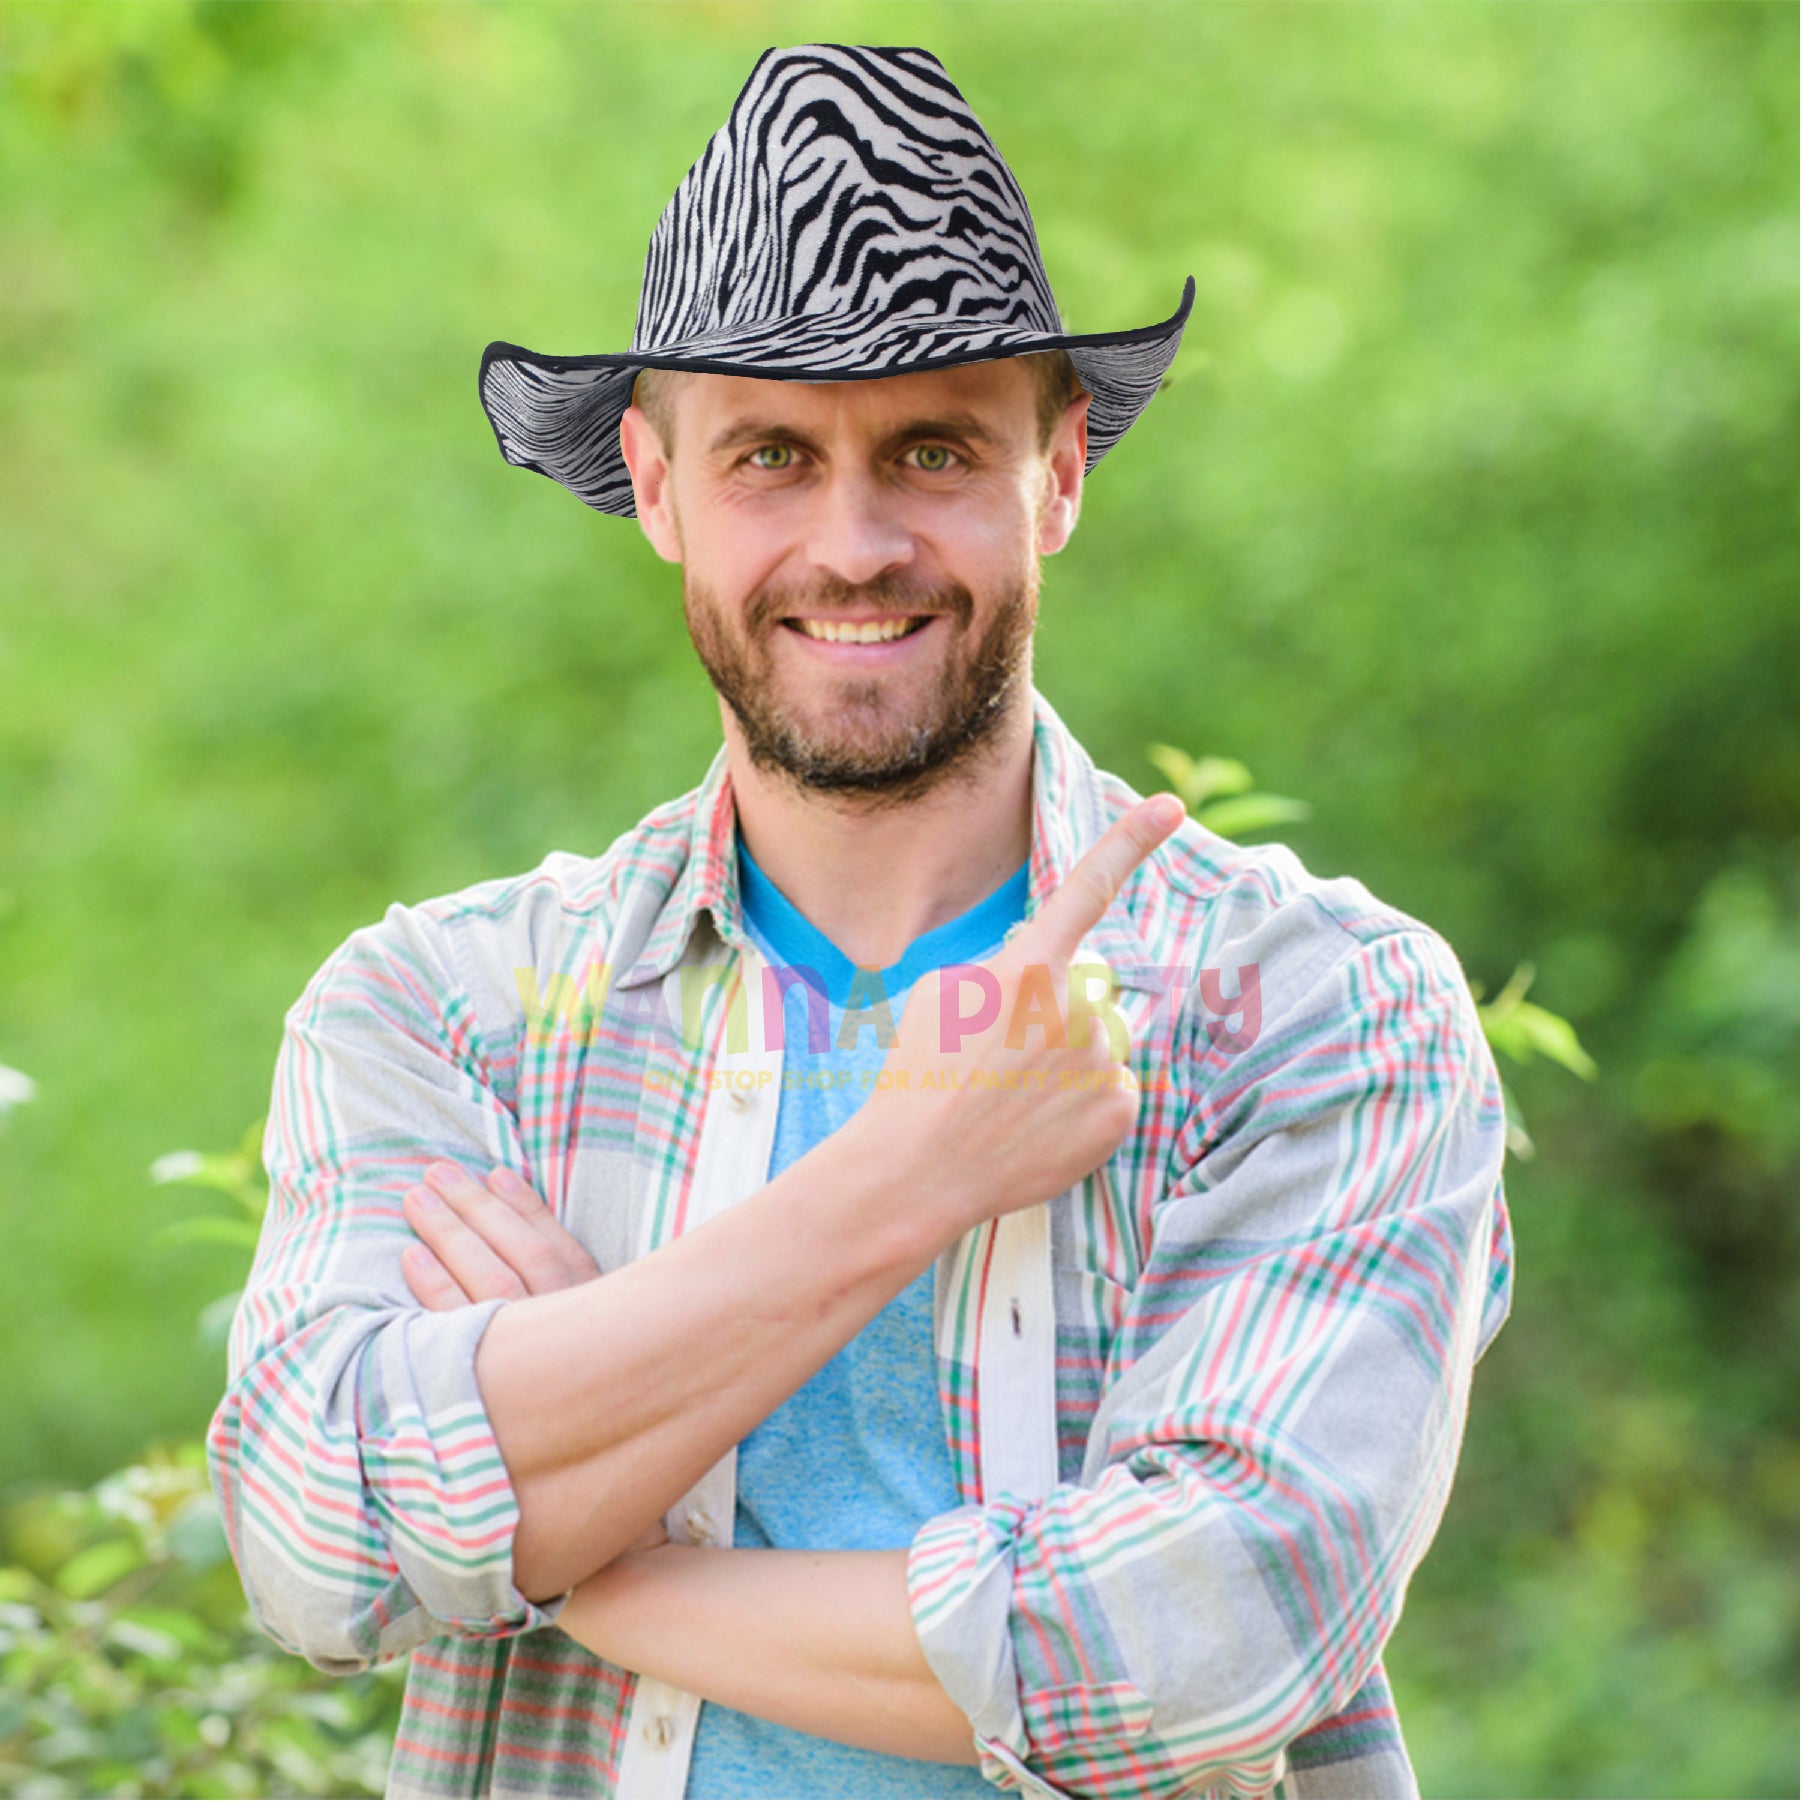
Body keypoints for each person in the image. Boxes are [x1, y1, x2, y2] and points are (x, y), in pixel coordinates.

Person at [207, 43, 1515, 1801]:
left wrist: (578, 1548)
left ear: (1053, 474)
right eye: (765, 453)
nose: (852, 541)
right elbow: (318, 1541)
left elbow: (1219, 1639)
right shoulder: (445, 1013)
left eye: (928, 448)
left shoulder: (1308, 1007)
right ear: (656, 485)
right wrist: (917, 1169)